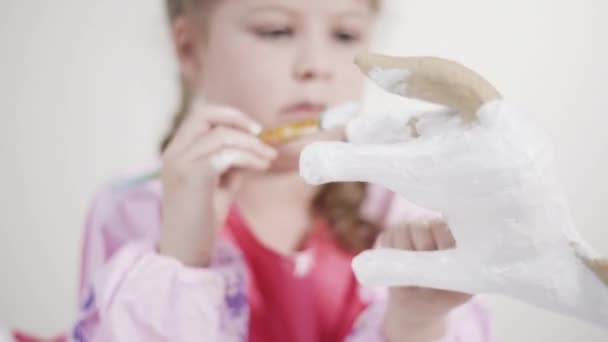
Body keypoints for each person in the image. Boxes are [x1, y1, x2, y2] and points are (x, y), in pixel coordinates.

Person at [70, 0, 493, 341]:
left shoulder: (407, 208)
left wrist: (415, 325)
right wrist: (181, 257)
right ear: (189, 50)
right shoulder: (131, 208)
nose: (316, 65)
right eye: (276, 30)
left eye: (345, 34)